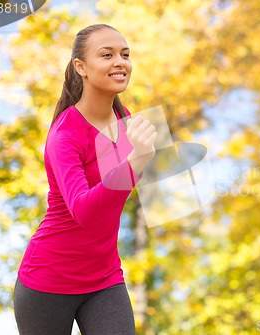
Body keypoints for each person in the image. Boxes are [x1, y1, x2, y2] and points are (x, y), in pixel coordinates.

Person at [13, 24, 157, 335]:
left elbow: (119, 188)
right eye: (107, 55)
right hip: (48, 281)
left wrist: (143, 162)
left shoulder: (124, 119)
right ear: (81, 67)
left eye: (125, 54)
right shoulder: (65, 135)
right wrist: (137, 161)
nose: (119, 61)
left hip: (104, 277)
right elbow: (84, 211)